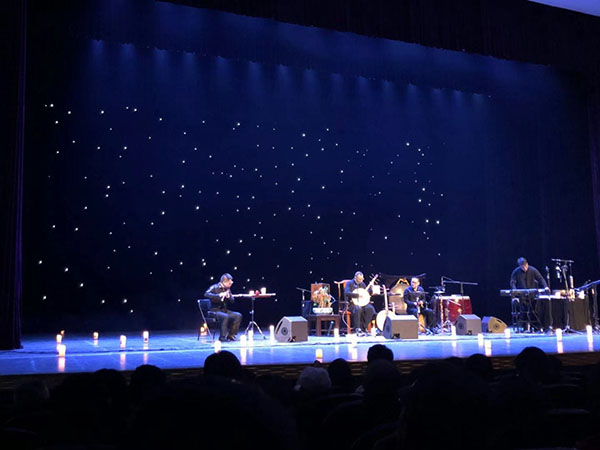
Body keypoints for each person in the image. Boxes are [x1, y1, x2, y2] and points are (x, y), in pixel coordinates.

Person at [204, 273, 243, 341]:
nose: (231, 283)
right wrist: (219, 295)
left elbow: (232, 301)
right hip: (214, 311)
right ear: (224, 282)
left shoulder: (227, 289)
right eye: (229, 282)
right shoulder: (214, 287)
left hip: (224, 310)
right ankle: (222, 337)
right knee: (225, 316)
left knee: (238, 315)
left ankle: (231, 335)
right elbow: (206, 294)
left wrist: (229, 297)